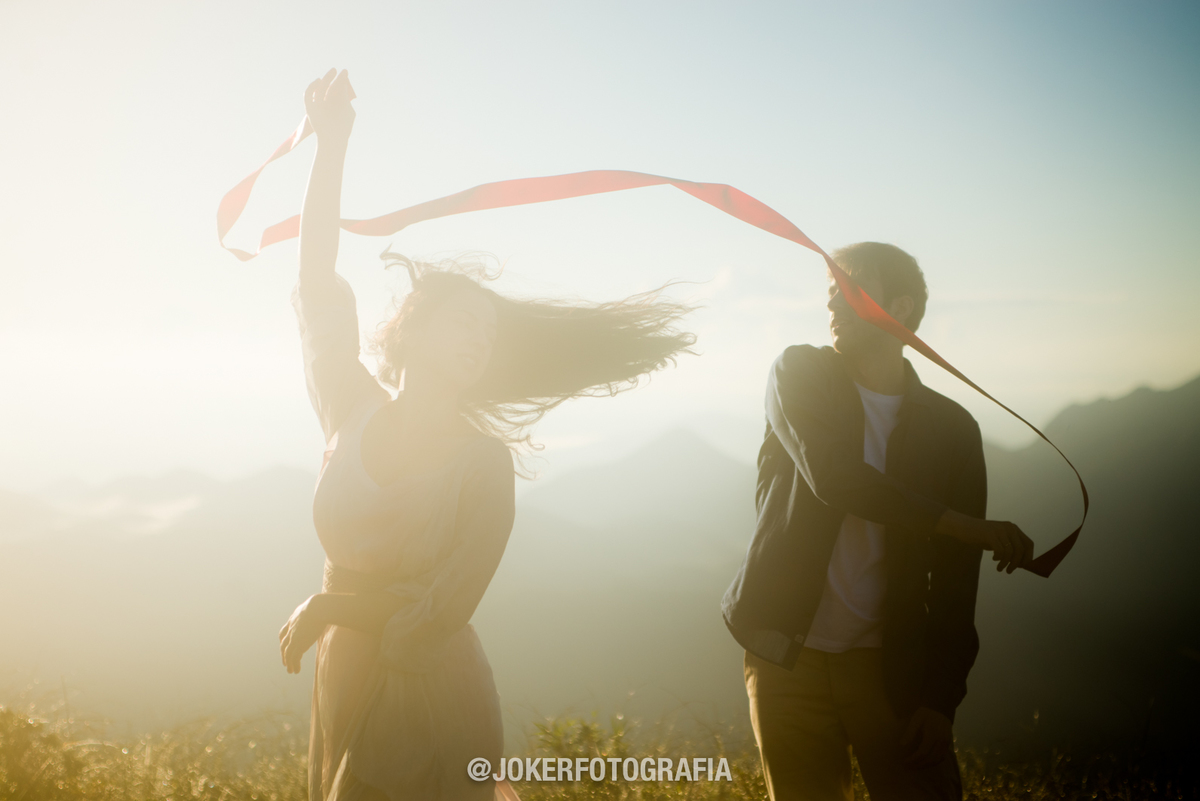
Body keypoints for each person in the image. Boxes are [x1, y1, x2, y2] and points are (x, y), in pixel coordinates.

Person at [276, 69, 695, 801]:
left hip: (430, 688)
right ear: (410, 325)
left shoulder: (482, 462)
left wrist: (333, 606)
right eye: (464, 321)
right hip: (341, 669)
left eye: (490, 332)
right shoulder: (349, 404)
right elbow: (316, 276)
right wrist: (331, 144)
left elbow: (440, 610)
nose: (479, 339)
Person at [721, 242, 1036, 801]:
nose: (834, 305)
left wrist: (940, 700)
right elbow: (833, 476)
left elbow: (958, 585)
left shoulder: (953, 430)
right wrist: (962, 524)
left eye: (853, 289)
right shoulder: (800, 372)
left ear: (903, 307)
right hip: (787, 663)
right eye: (831, 292)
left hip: (893, 667)